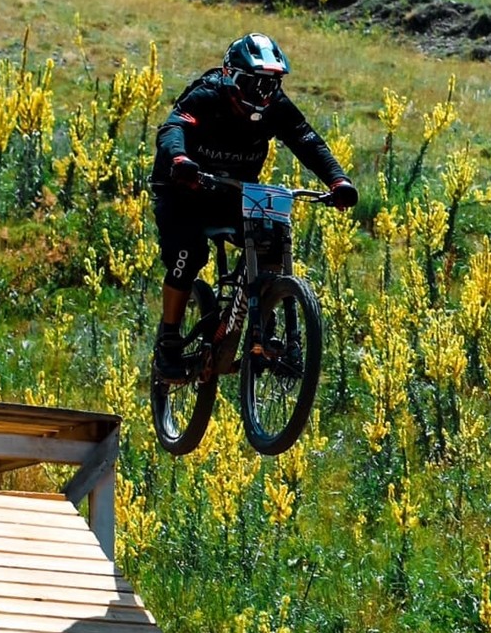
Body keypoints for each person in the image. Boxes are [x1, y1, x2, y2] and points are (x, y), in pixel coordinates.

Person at [149, 32, 358, 379]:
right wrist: (181, 159)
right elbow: (173, 128)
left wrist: (338, 181)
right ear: (231, 76)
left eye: (270, 86)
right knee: (188, 255)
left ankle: (266, 323)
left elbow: (308, 142)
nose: (261, 95)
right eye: (252, 84)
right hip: (182, 188)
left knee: (271, 240)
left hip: (234, 189)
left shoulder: (277, 108)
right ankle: (168, 344)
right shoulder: (207, 94)